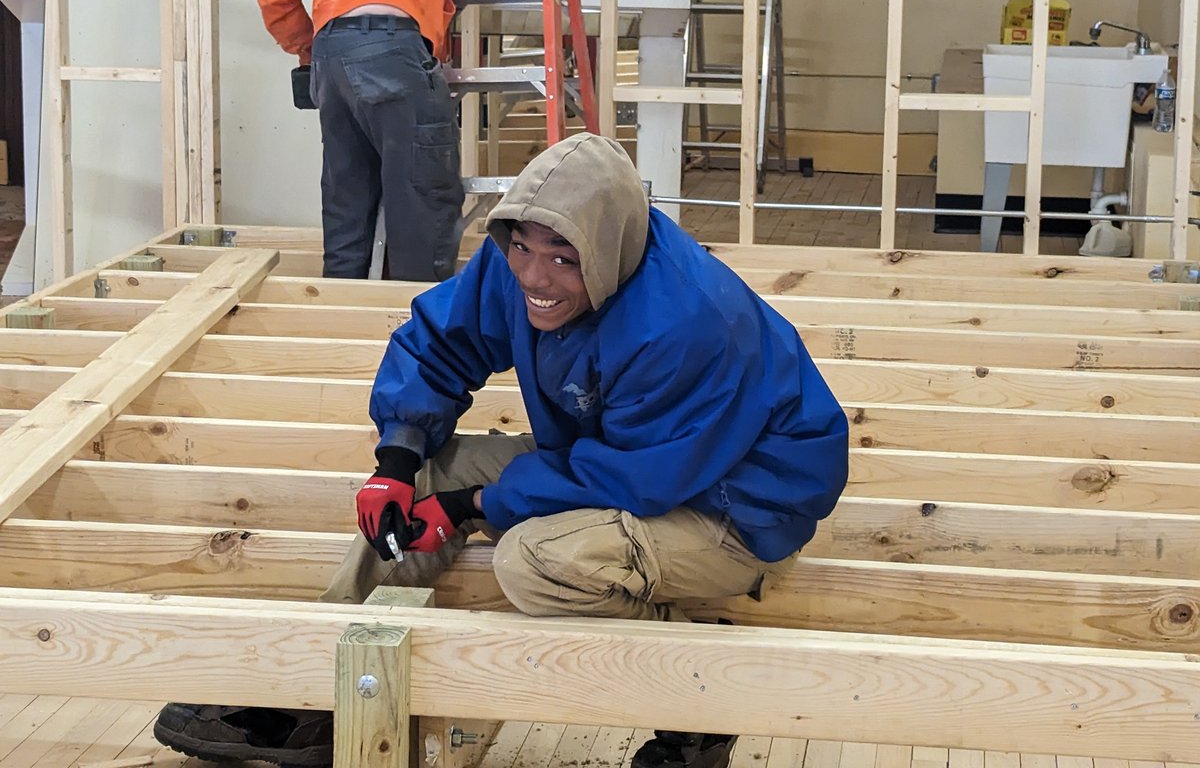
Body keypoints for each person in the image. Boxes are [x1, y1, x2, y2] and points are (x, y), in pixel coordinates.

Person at [153, 133, 849, 768]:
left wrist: (473, 506)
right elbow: (442, 343)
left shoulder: (686, 324)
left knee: (540, 562)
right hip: (619, 457)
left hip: (732, 507)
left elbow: (640, 480)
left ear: (606, 252)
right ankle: (317, 701)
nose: (536, 279)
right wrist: (396, 458)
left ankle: (696, 704)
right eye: (523, 249)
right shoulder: (520, 256)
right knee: (430, 472)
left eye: (563, 260)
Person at [256, 0, 542, 280]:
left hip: (331, 55)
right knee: (422, 203)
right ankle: (417, 332)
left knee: (347, 204)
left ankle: (344, 320)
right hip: (394, 45)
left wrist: (307, 47)